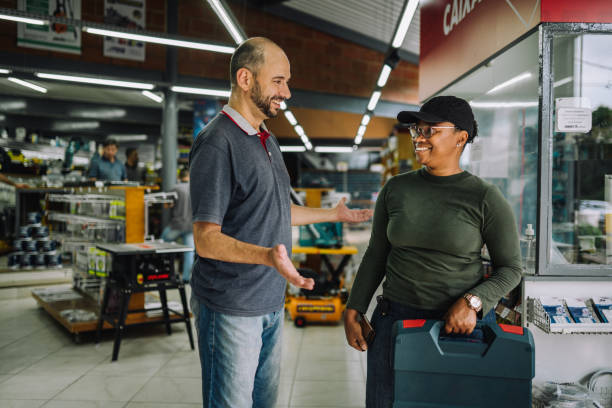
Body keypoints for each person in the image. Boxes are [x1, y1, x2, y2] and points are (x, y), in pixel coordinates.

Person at [189, 37, 373, 408]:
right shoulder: (216, 143)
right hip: (231, 306)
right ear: (245, 78)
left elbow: (276, 210)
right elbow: (205, 240)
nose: (286, 92)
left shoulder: (266, 139)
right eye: (278, 81)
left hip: (271, 302)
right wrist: (266, 256)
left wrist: (332, 215)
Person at [343, 96, 522, 408]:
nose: (419, 138)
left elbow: (510, 269)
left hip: (456, 328)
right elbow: (376, 254)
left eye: (430, 131)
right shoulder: (395, 189)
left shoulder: (485, 198)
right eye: (417, 130)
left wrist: (472, 303)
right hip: (394, 322)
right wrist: (354, 307)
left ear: (460, 138)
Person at [161, 168, 193, 283]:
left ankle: (164, 272)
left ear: (179, 177)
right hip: (191, 226)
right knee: (189, 252)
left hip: (177, 225)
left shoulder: (176, 188)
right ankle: (186, 278)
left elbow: (166, 205)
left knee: (162, 244)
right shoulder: (195, 188)